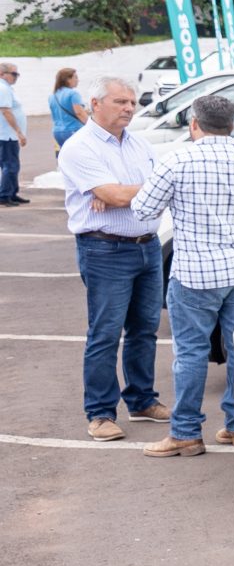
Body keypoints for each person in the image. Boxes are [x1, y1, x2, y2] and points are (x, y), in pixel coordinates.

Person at [127, 92, 234, 456]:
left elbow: (143, 210)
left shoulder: (177, 160)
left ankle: (186, 432)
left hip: (196, 272)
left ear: (193, 123)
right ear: (232, 124)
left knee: (190, 352)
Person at [56, 77, 166, 440]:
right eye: (120, 101)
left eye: (132, 102)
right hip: (106, 249)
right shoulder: (79, 147)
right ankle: (101, 414)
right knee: (105, 334)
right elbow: (116, 195)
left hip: (148, 245)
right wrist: (118, 192)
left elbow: (159, 187)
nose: (129, 108)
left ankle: (141, 400)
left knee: (144, 330)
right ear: (95, 104)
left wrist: (121, 192)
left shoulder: (140, 144)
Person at [0, 62, 25, 206]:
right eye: (14, 74)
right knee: (10, 165)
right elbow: (6, 111)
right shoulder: (3, 88)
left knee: (12, 164)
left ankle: (12, 192)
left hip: (8, 134)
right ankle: (4, 195)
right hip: (6, 134)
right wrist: (18, 131)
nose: (16, 77)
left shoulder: (6, 88)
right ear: (2, 74)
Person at [49, 67, 87, 147]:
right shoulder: (73, 94)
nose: (78, 80)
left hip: (57, 132)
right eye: (75, 77)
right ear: (68, 79)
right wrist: (91, 125)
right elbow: (79, 112)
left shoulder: (52, 95)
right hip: (73, 130)